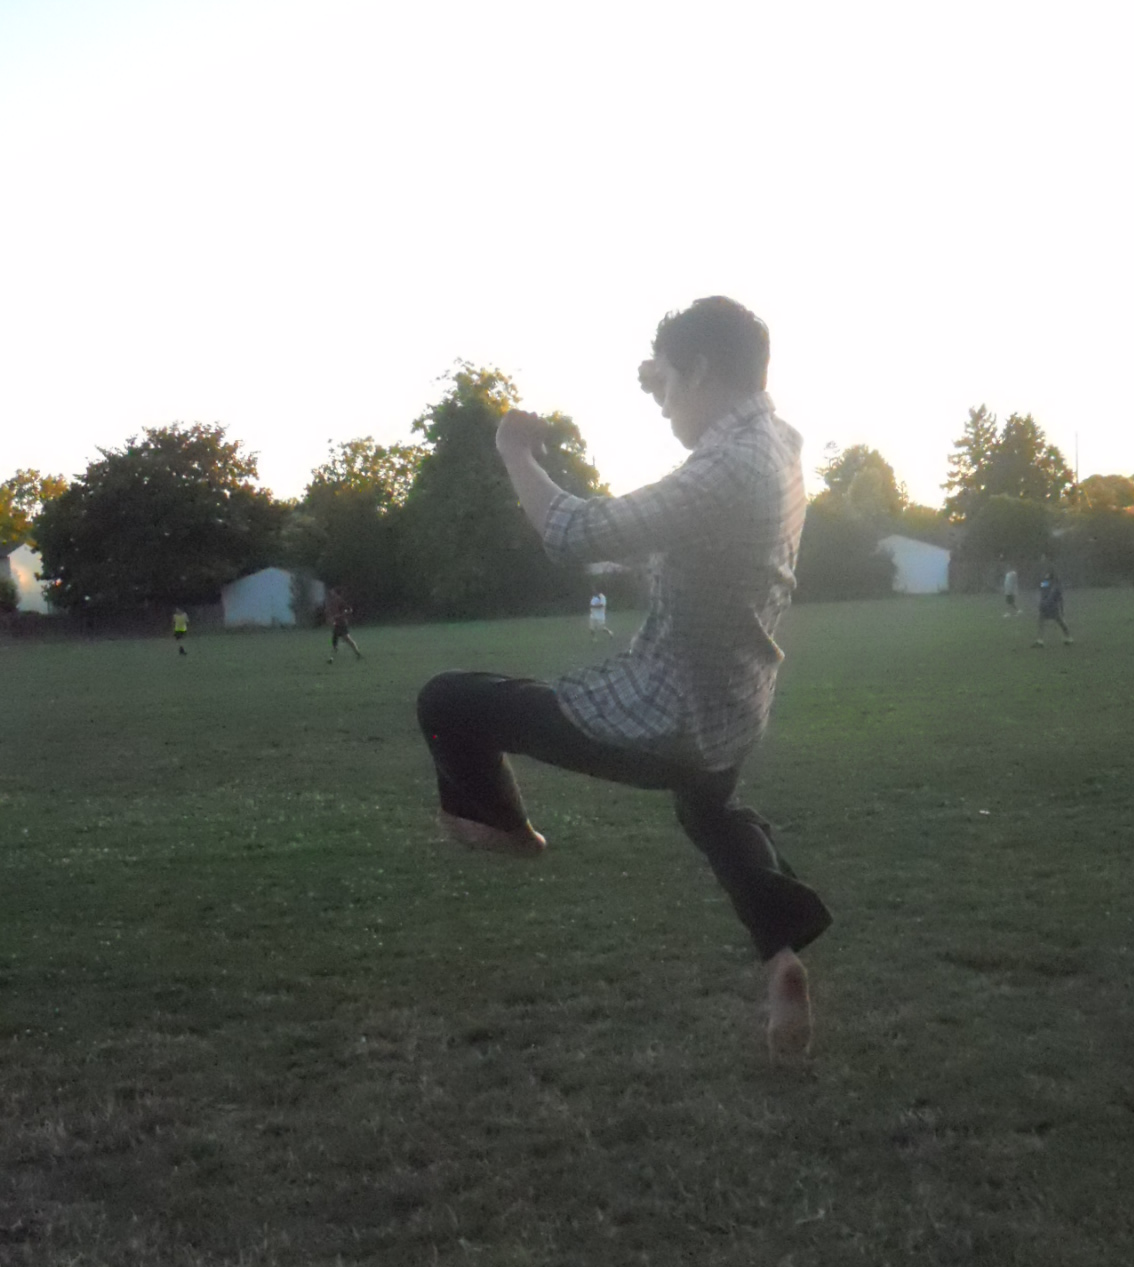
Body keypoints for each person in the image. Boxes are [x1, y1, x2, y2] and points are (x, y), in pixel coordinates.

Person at [416, 296, 829, 1063]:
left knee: (449, 699)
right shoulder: (778, 440)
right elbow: (701, 508)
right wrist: (664, 377)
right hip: (738, 711)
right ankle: (781, 959)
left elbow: (574, 533)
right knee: (711, 815)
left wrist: (516, 453)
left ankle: (505, 829)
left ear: (704, 370)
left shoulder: (728, 467)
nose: (666, 407)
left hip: (664, 715)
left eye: (672, 385)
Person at [325, 585, 362, 662]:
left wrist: (340, 615)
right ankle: (331, 658)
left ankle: (358, 653)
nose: (331, 592)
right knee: (334, 641)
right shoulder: (332, 601)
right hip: (337, 624)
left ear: (335, 592)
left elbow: (349, 610)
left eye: (332, 591)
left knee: (348, 640)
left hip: (342, 623)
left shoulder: (340, 601)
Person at [1034, 571, 1072, 647]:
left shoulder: (1054, 586)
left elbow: (1058, 598)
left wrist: (1061, 608)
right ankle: (1040, 640)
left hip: (1051, 607)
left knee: (1059, 622)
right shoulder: (1050, 584)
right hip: (1046, 606)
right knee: (1042, 621)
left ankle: (1068, 637)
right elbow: (1041, 589)